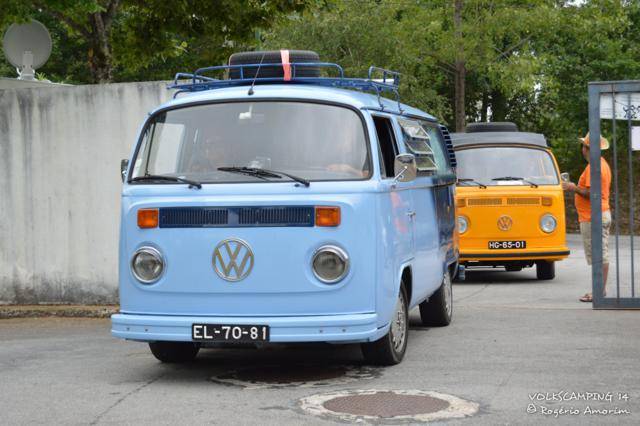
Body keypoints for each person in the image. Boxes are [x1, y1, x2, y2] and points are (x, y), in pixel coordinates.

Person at [561, 132, 612, 302]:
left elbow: (592, 193)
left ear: (586, 148)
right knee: (600, 253)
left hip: (593, 216)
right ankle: (599, 290)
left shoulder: (594, 167)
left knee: (599, 255)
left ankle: (599, 291)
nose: (582, 149)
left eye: (583, 146)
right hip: (599, 214)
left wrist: (572, 187)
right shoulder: (602, 164)